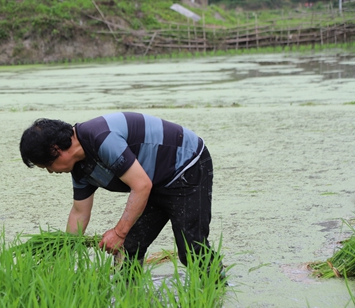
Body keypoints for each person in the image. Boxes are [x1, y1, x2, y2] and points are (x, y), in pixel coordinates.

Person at [19, 111, 220, 276]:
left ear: (56, 150)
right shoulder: (79, 168)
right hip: (153, 179)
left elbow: (141, 186)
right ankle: (129, 298)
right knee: (131, 247)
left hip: (185, 165)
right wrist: (64, 253)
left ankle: (217, 293)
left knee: (192, 249)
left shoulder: (101, 139)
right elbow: (79, 213)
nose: (51, 171)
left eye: (47, 165)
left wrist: (118, 232)